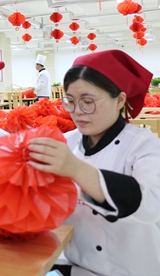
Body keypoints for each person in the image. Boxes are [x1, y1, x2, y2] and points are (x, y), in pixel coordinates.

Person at [27, 50, 160, 276]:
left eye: (88, 102)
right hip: (76, 266)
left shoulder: (144, 146)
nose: (78, 112)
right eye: (70, 102)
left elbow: (151, 205)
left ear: (119, 100)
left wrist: (76, 169)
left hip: (134, 269)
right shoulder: (66, 143)